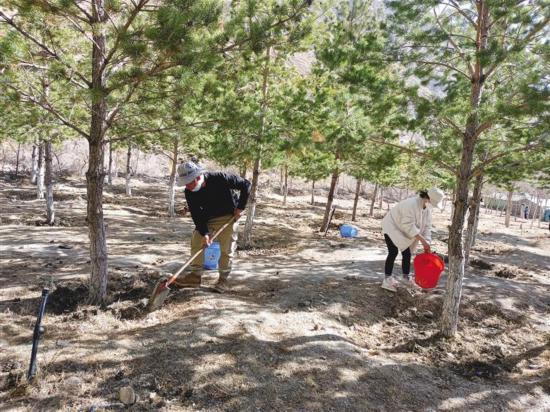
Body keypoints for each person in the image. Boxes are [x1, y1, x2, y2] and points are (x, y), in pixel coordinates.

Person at [175, 161, 251, 289]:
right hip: (207, 217)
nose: (187, 186)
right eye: (185, 184)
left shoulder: (219, 178)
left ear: (198, 177)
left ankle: (223, 279)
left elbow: (246, 185)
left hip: (228, 215)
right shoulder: (189, 192)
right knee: (197, 240)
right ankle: (195, 276)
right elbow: (196, 214)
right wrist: (204, 233)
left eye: (189, 183)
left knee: (227, 247)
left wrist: (240, 208)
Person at [380, 188, 444, 292]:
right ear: (428, 198)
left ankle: (406, 277)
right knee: (393, 252)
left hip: (403, 230)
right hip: (392, 226)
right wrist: (423, 242)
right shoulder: (411, 204)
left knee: (407, 253)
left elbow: (427, 227)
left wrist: (427, 242)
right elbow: (408, 225)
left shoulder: (427, 209)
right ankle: (387, 279)